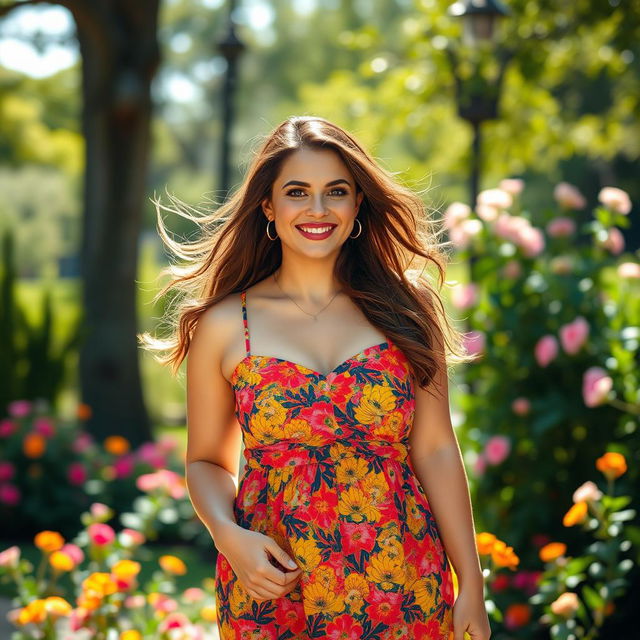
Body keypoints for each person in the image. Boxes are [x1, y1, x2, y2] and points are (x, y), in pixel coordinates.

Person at [140, 115, 491, 640]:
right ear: (268, 206)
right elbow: (206, 461)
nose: (317, 210)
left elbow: (437, 449)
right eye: (297, 192)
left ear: (357, 206)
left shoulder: (406, 306)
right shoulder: (223, 323)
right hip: (276, 584)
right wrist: (229, 537)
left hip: (404, 576)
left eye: (336, 192)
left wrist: (472, 584)